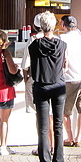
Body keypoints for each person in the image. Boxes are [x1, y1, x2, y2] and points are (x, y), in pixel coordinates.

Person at [27, 11, 67, 162]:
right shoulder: (62, 45)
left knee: (43, 127)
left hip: (41, 86)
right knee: (58, 124)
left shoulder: (34, 46)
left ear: (40, 26)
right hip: (58, 85)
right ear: (54, 25)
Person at [21, 14, 52, 153]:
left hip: (37, 81)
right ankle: (53, 145)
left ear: (34, 26)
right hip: (54, 81)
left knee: (39, 115)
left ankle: (42, 146)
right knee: (51, 115)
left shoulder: (33, 40)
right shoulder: (57, 40)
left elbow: (25, 64)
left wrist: (26, 79)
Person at [59, 15, 81, 147]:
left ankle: (69, 137)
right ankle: (79, 137)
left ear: (63, 25)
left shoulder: (63, 38)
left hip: (70, 78)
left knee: (66, 111)